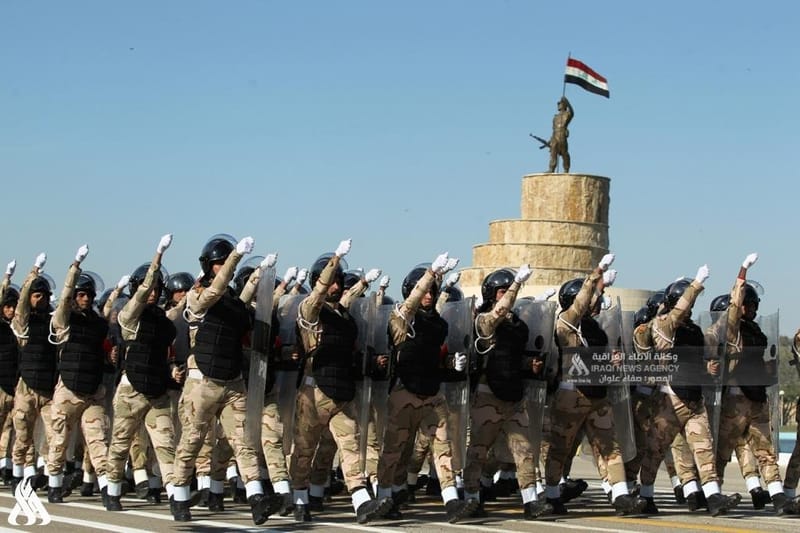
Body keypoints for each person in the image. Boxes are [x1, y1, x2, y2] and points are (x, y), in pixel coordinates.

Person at [169, 234, 281, 524]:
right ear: (209, 266)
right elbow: (214, 293)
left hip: (232, 381)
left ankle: (257, 497)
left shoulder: (231, 298)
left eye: (225, 263)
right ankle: (179, 493)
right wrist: (236, 257)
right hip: (201, 381)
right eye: (218, 263)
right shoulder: (197, 294)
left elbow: (240, 305)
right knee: (192, 440)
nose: (222, 269)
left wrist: (260, 275)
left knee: (244, 441)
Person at [290, 239, 392, 524]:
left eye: (338, 282)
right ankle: (299, 499)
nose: (335, 287)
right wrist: (335, 259)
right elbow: (319, 294)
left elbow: (345, 300)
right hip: (313, 391)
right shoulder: (309, 310)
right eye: (331, 282)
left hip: (341, 391)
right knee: (304, 450)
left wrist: (363, 284)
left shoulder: (341, 313)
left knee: (351, 447)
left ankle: (361, 502)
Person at [376, 254, 477, 523]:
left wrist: (451, 363)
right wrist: (431, 273)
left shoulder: (439, 325)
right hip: (404, 392)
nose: (429, 296)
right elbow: (408, 309)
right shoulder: (400, 321)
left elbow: (434, 358)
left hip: (433, 394)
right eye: (425, 291)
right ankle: (385, 496)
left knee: (443, 449)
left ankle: (452, 501)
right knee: (396, 450)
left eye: (433, 292)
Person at [543, 254, 645, 516]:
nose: (596, 302)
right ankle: (552, 495)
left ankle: (621, 495)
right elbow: (580, 304)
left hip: (599, 397)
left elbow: (598, 357)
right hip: (571, 395)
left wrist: (613, 362)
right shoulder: (566, 325)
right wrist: (597, 273)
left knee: (611, 446)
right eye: (592, 299)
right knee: (560, 449)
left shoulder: (596, 329)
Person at [637, 266, 741, 516]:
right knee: (655, 451)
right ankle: (645, 496)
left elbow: (699, 360)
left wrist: (709, 367)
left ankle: (714, 497)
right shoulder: (662, 325)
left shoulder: (693, 331)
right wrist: (696, 284)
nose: (690, 309)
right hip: (669, 399)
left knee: (704, 450)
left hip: (695, 399)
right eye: (687, 303)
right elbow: (678, 312)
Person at [708, 253, 799, 515]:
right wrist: (742, 271)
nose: (753, 308)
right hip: (735, 399)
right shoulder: (732, 329)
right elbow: (734, 306)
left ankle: (779, 497)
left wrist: (768, 369)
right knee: (722, 451)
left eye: (755, 304)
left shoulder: (756, 330)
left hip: (757, 397)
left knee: (766, 451)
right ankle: (714, 495)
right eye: (750, 304)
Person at [463, 265, 553, 519]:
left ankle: (530, 500)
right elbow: (497, 315)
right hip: (488, 392)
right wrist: (515, 285)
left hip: (514, 392)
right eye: (501, 291)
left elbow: (512, 356)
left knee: (525, 449)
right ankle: (471, 496)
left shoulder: (517, 324)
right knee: (479, 449)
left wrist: (529, 364)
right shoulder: (483, 319)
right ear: (492, 294)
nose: (507, 296)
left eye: (509, 291)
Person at [105, 235, 180, 512]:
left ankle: (177, 497)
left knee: (166, 445)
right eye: (149, 288)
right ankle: (112, 490)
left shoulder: (162, 321)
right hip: (131, 390)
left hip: (157, 389)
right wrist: (158, 256)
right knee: (121, 443)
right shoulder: (128, 316)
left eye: (157, 288)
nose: (153, 292)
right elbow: (141, 293)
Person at [47, 245, 111, 504]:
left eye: (88, 295)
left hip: (93, 391)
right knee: (59, 440)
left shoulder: (98, 324)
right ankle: (54, 484)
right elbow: (62, 300)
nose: (85, 299)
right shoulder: (65, 320)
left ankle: (108, 489)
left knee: (98, 441)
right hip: (68, 391)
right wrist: (75, 266)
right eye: (81, 294)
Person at [10, 253, 56, 490]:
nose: (42, 299)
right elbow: (20, 304)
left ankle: (48, 474)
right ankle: (21, 473)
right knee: (23, 433)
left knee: (53, 435)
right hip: (26, 385)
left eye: (45, 295)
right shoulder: (23, 323)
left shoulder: (53, 321)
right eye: (37, 295)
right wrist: (34, 271)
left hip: (48, 387)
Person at [548, 96, 574, 173]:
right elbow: (553, 129)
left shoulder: (567, 114)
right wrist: (550, 139)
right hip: (555, 135)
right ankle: (551, 168)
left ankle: (566, 168)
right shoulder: (555, 117)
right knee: (553, 151)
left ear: (564, 105)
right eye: (558, 104)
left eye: (560, 103)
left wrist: (567, 102)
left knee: (564, 153)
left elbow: (572, 112)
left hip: (562, 135)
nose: (558, 105)